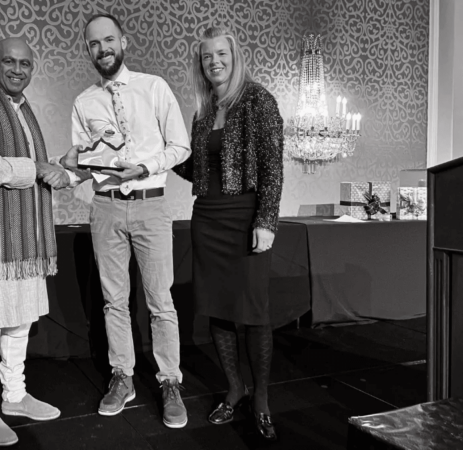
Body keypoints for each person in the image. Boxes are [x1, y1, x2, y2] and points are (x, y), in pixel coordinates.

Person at [59, 13, 192, 429]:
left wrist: (145, 167)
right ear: (88, 50)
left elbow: (181, 147)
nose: (103, 49)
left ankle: (170, 381)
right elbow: (85, 163)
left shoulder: (154, 87)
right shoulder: (84, 102)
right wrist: (67, 169)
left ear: (124, 42)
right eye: (94, 44)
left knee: (161, 301)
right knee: (113, 300)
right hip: (106, 208)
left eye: (109, 40)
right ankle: (123, 376)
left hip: (151, 204)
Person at [0, 37, 73, 446]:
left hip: (25, 235)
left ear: (32, 69)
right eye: (9, 61)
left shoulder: (26, 111)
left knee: (20, 319)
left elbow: (31, 167)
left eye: (25, 63)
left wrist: (60, 166)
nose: (17, 70)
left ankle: (15, 395)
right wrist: (40, 168)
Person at [173, 26, 284, 441]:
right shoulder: (204, 110)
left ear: (234, 57)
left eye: (221, 54)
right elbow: (196, 170)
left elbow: (272, 166)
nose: (214, 61)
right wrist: (161, 152)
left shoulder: (258, 99)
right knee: (217, 308)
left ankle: (261, 400)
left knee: (254, 312)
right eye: (207, 56)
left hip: (245, 217)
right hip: (207, 218)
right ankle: (235, 389)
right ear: (200, 64)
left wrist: (266, 222)